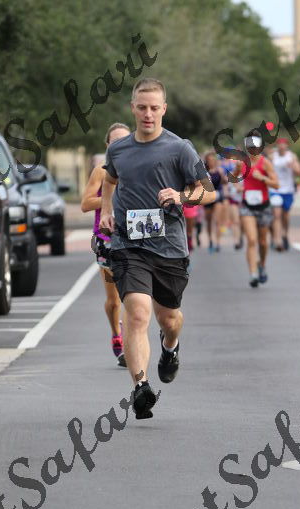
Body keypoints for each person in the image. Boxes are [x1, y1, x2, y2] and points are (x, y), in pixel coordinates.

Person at [99, 77, 216, 419]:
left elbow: (208, 191)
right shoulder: (118, 150)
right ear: (132, 108)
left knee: (170, 319)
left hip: (169, 248)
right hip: (128, 244)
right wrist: (105, 210)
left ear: (163, 109)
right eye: (142, 107)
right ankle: (141, 387)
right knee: (137, 313)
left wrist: (180, 196)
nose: (148, 114)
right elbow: (109, 179)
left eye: (154, 108)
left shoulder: (180, 148)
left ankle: (171, 346)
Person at [81, 122, 131, 366]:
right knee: (114, 300)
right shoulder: (101, 171)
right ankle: (116, 334)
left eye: (125, 140)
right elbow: (85, 203)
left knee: (135, 296)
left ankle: (131, 343)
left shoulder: (139, 168)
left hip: (134, 239)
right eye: (115, 141)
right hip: (107, 241)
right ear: (108, 145)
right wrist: (110, 199)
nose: (120, 145)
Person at [233, 134, 279, 287]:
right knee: (252, 240)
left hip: (263, 206)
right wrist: (237, 186)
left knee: (263, 242)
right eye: (250, 147)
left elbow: (276, 184)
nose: (252, 150)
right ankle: (253, 274)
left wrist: (263, 178)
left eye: (255, 147)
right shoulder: (242, 163)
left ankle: (262, 265)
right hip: (247, 206)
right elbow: (233, 178)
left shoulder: (265, 163)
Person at [271, 138, 300, 250]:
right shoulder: (272, 156)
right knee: (276, 214)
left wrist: (292, 165)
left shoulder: (291, 156)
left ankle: (284, 234)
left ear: (287, 146)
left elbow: (299, 172)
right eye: (280, 144)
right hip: (275, 190)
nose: (282, 146)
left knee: (285, 215)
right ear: (277, 145)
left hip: (288, 190)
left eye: (284, 144)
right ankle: (277, 240)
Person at [204, 151, 226, 253]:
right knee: (209, 220)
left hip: (218, 196)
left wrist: (222, 176)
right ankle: (210, 240)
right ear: (207, 161)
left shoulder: (220, 170)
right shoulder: (204, 172)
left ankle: (218, 242)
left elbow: (225, 182)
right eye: (209, 160)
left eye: (213, 160)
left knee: (217, 220)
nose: (211, 161)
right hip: (208, 197)